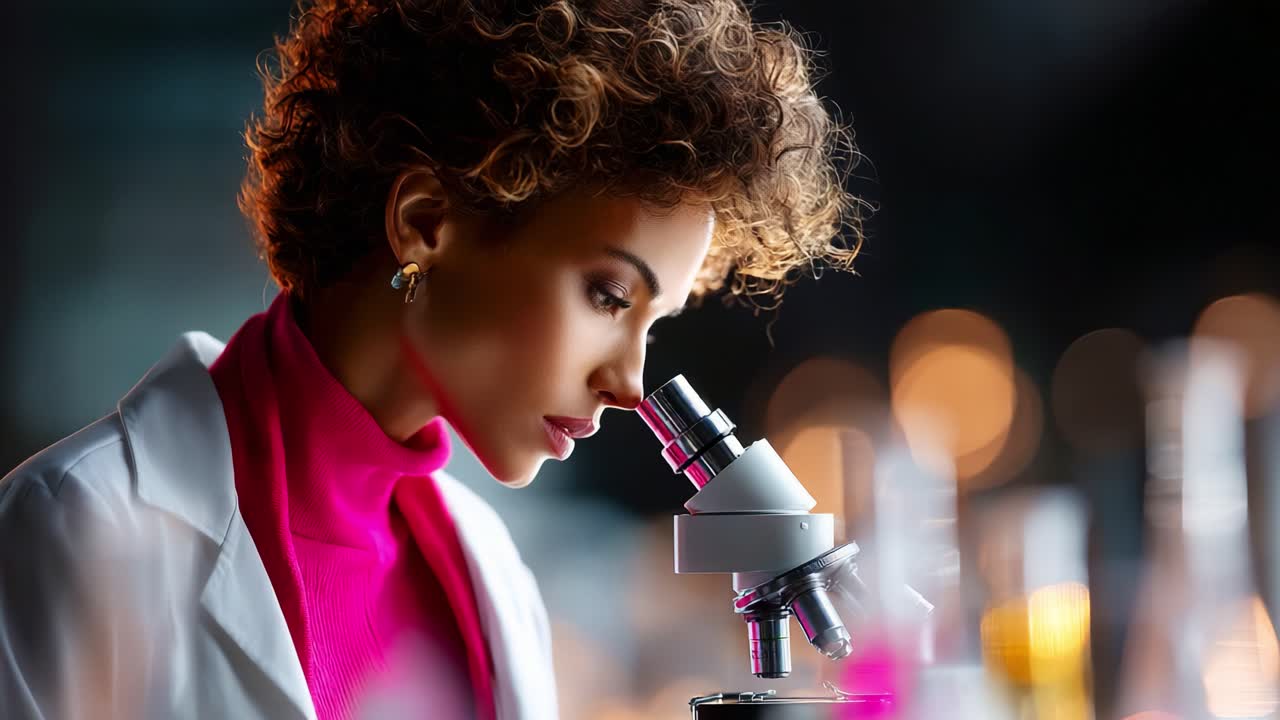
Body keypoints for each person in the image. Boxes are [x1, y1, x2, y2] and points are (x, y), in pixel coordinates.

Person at [0, 0, 861, 718]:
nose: (628, 383)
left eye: (654, 322)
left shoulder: (488, 574)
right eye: (608, 295)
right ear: (424, 223)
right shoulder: (68, 532)